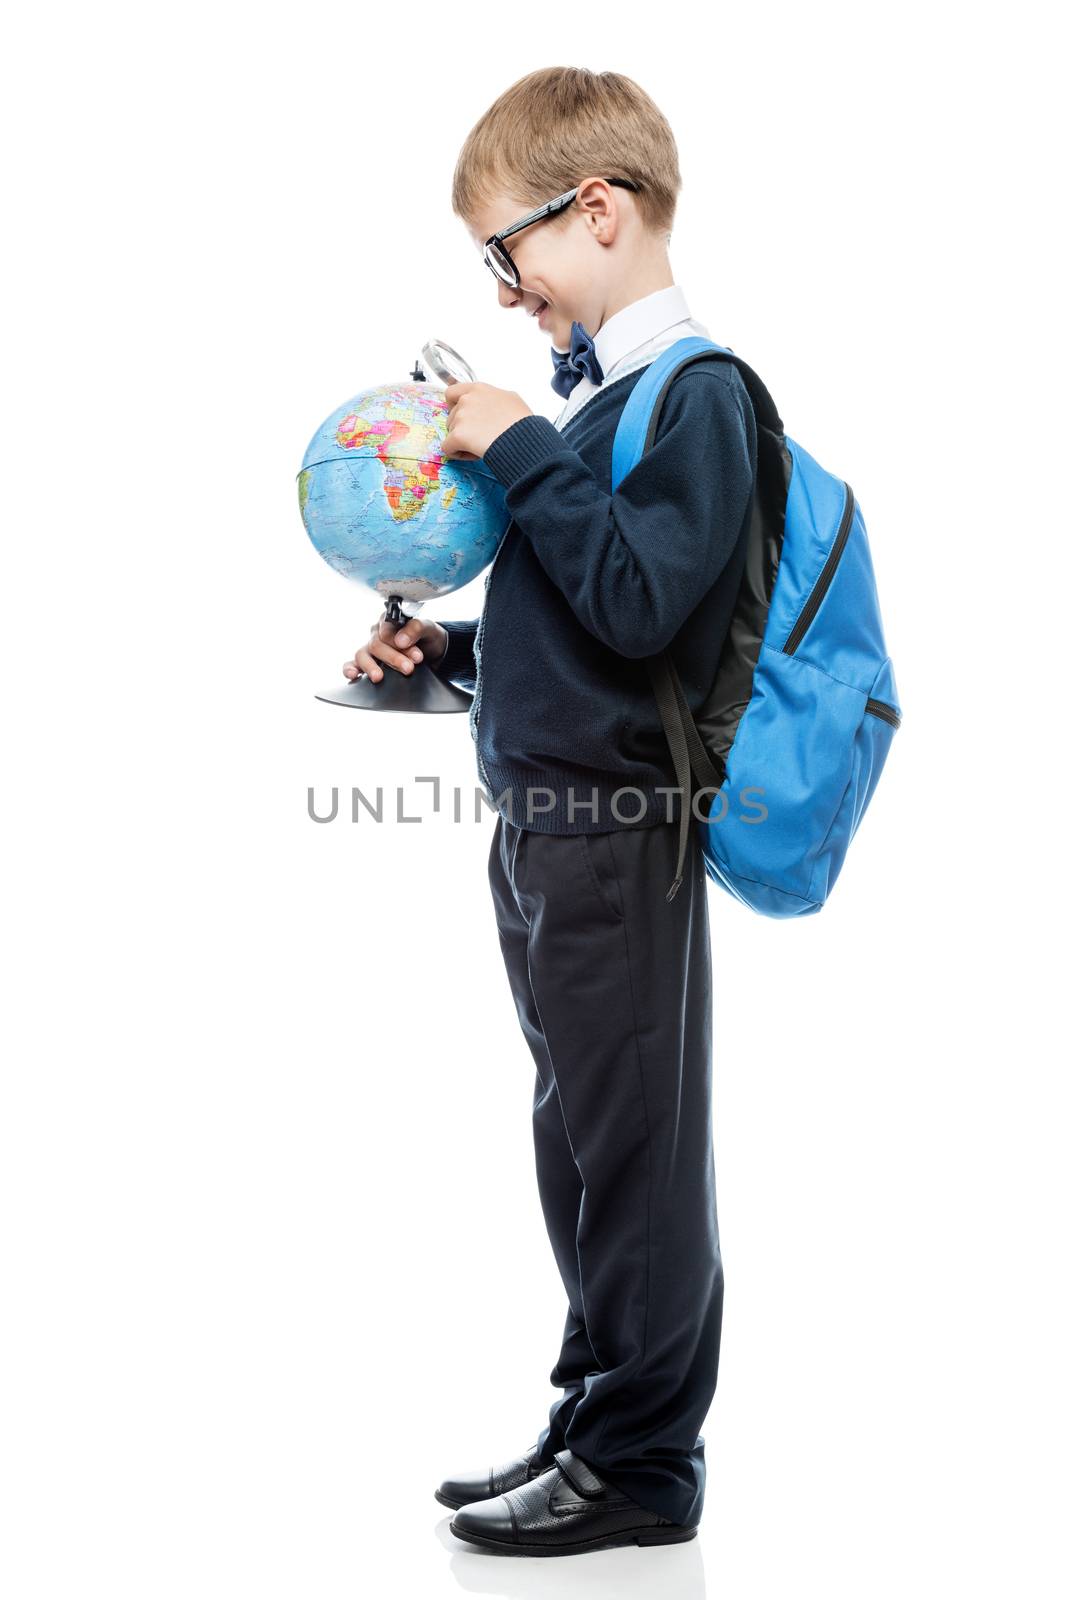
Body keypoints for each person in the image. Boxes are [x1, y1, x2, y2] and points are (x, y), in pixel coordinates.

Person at [344, 66, 757, 1557]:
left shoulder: (697, 398)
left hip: (619, 839)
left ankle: (646, 1457)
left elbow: (648, 607)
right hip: (544, 830)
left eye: (506, 252)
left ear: (598, 210)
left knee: (634, 1142)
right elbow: (580, 628)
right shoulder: (600, 411)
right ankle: (597, 1411)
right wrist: (442, 653)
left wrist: (520, 446)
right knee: (581, 1132)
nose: (506, 289)